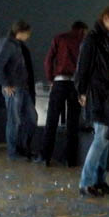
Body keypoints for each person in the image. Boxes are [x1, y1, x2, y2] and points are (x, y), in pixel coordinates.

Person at [75, 7, 109, 197]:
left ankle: (98, 181)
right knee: (101, 138)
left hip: (105, 96)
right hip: (98, 95)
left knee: (104, 139)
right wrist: (82, 91)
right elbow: (83, 67)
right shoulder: (93, 39)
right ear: (106, 19)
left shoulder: (105, 39)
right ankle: (86, 182)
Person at [36, 21, 88, 167]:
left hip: (59, 81)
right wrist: (83, 88)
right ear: (83, 30)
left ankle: (45, 157)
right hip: (76, 84)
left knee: (52, 120)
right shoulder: (85, 42)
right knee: (73, 123)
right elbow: (86, 66)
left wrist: (50, 78)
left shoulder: (59, 38)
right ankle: (70, 159)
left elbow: (48, 61)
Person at [0, 20, 38, 161]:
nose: (29, 36)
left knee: (31, 118)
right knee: (14, 121)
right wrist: (5, 85)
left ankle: (23, 148)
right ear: (20, 32)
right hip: (14, 89)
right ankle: (13, 152)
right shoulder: (9, 45)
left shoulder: (17, 45)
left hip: (23, 88)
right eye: (27, 33)